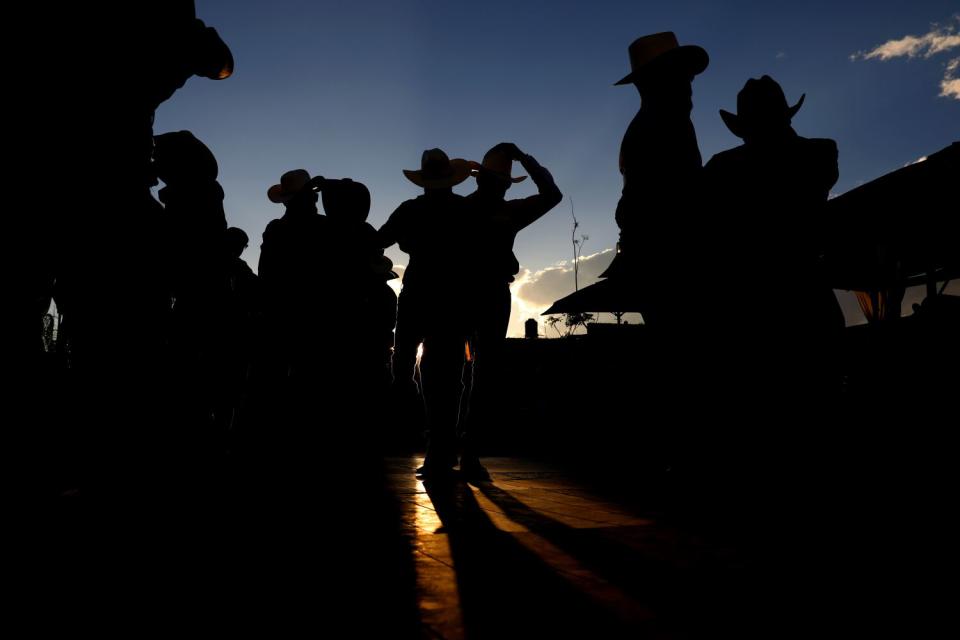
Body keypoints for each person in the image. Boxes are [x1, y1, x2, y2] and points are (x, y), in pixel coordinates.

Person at [459, 142, 562, 479]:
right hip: (479, 293)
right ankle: (463, 450)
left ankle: (460, 449)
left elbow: (552, 195)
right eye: (501, 181)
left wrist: (524, 159)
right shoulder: (499, 212)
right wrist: (526, 159)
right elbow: (551, 193)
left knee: (472, 371)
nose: (501, 187)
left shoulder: (466, 210)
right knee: (476, 372)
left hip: (477, 294)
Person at [378, 149, 475, 477]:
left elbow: (379, 239)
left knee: (406, 365)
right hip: (452, 297)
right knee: (445, 372)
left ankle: (426, 438)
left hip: (420, 293)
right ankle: (441, 444)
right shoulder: (464, 209)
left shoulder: (411, 210)